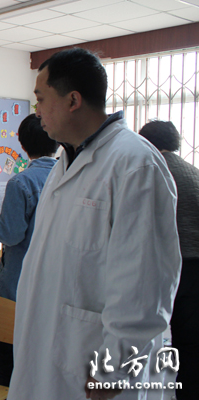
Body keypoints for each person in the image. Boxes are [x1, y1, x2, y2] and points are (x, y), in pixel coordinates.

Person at [8, 48, 181, 400]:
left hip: (96, 365)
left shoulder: (135, 165)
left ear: (73, 100)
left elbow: (145, 284)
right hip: (49, 352)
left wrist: (114, 368)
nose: (37, 111)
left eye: (41, 99)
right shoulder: (66, 162)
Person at [0, 113, 58, 386]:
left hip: (19, 281)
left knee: (10, 358)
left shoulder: (21, 182)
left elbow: (11, 234)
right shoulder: (67, 177)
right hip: (54, 282)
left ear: (23, 145)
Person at [139, 120, 199, 399]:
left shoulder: (154, 173)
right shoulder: (194, 173)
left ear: (148, 144)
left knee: (147, 337)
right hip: (196, 269)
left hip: (165, 267)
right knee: (189, 342)